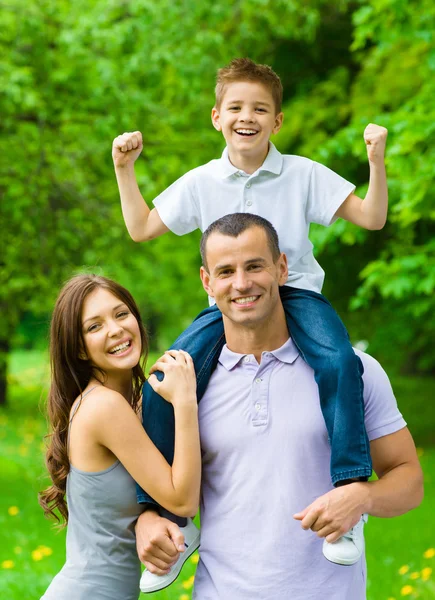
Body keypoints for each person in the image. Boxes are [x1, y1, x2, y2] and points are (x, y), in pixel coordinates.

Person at [112, 56, 389, 582]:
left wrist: (375, 160)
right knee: (162, 382)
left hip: (296, 298)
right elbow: (142, 227)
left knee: (338, 362)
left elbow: (372, 217)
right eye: (236, 106)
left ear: (277, 121)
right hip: (225, 305)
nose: (248, 115)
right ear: (216, 116)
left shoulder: (303, 173)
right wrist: (125, 169)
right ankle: (174, 518)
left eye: (260, 108)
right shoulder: (200, 181)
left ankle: (348, 493)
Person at [137, 213, 423, 600]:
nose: (241, 284)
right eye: (226, 271)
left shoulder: (353, 370)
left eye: (255, 266)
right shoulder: (184, 385)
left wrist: (363, 497)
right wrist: (149, 518)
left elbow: (410, 481)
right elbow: (153, 477)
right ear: (207, 281)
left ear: (282, 268)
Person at [38, 274, 200, 600]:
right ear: (79, 350)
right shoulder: (104, 406)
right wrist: (185, 402)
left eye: (121, 314)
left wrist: (147, 517)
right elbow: (182, 499)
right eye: (94, 327)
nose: (115, 329)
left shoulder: (127, 403)